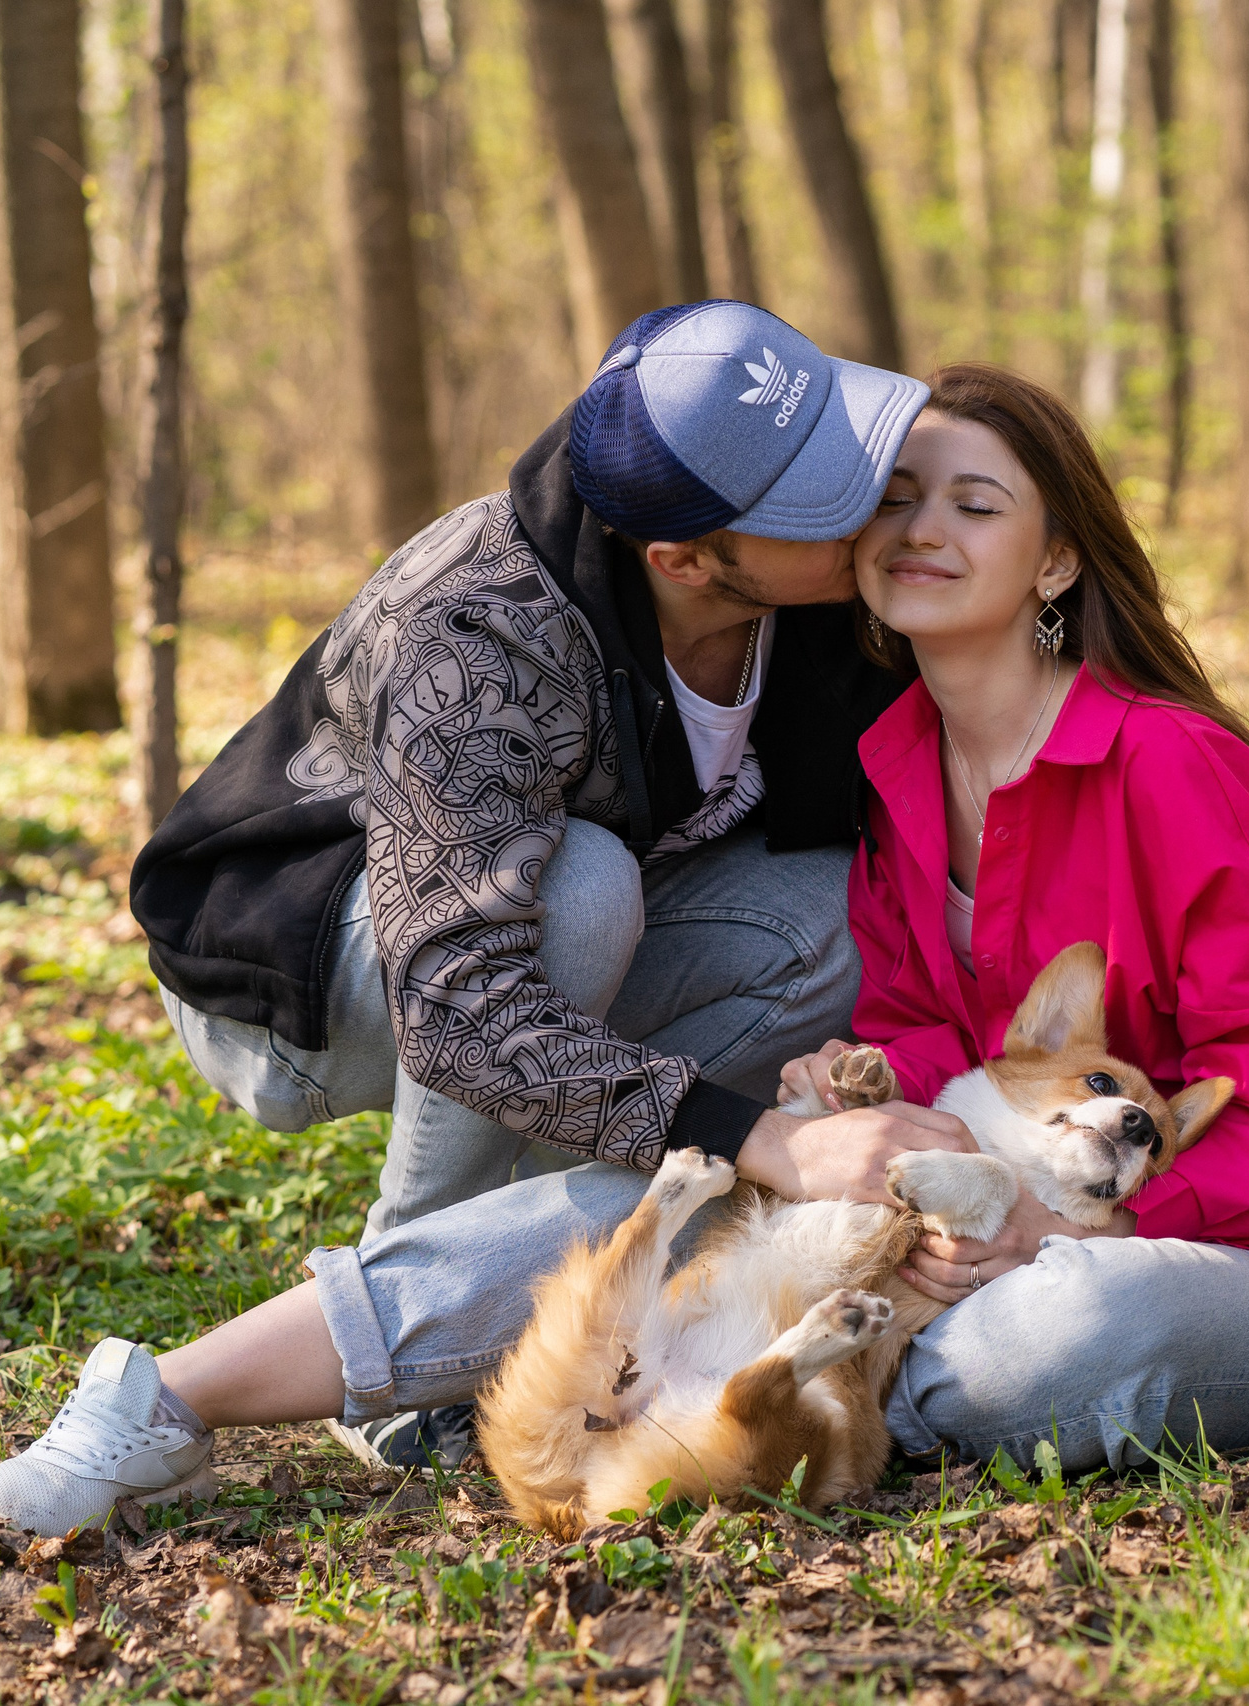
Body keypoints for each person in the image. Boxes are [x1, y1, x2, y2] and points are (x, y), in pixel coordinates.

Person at [0, 363, 1249, 1537]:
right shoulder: (880, 756)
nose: (920, 529)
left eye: (978, 505)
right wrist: (861, 1104)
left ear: (1061, 557)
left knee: (1050, 1335)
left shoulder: (1173, 769)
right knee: (695, 1184)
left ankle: (774, 1390)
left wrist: (1053, 1227)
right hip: (963, 1234)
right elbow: (925, 1025)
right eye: (901, 497)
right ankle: (163, 1395)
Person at [117, 300, 980, 1476]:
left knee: (829, 915)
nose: (879, 498)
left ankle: (555, 1251)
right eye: (825, 499)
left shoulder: (816, 602)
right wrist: (762, 1137)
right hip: (306, 987)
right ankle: (401, 1332)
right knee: (575, 887)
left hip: (553, 945)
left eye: (848, 444)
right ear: (681, 557)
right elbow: (466, 1005)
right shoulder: (475, 629)